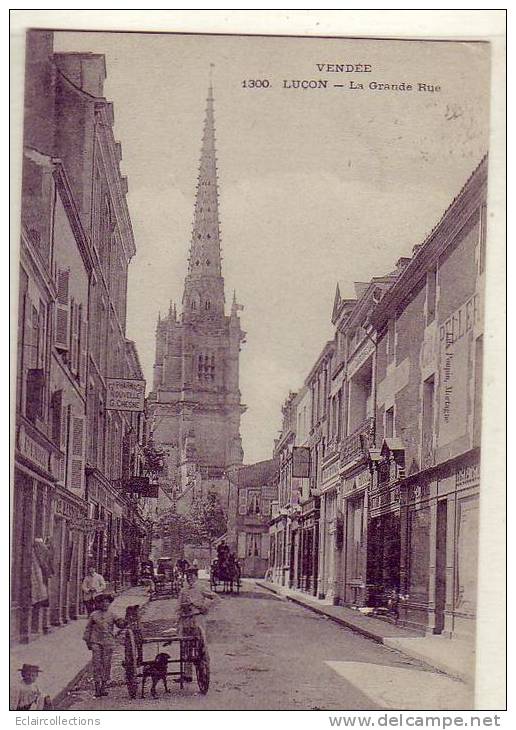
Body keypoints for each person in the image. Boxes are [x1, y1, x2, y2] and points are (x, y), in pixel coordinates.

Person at [176, 567, 216, 682]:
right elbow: (178, 606)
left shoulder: (201, 587)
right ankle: (187, 675)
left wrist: (204, 607)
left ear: (196, 577)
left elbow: (216, 598)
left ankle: (204, 670)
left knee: (201, 646)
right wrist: (178, 618)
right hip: (186, 620)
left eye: (192, 576)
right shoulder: (183, 590)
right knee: (186, 646)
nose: (189, 579)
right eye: (187, 577)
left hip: (198, 619)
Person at [83, 593, 126, 697]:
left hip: (108, 642)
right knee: (97, 664)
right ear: (98, 604)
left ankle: (103, 687)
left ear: (109, 603)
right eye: (102, 602)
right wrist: (88, 641)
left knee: (106, 664)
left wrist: (124, 622)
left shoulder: (112, 614)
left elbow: (120, 624)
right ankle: (97, 689)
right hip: (96, 642)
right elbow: (88, 629)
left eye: (107, 602)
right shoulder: (93, 615)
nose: (104, 604)